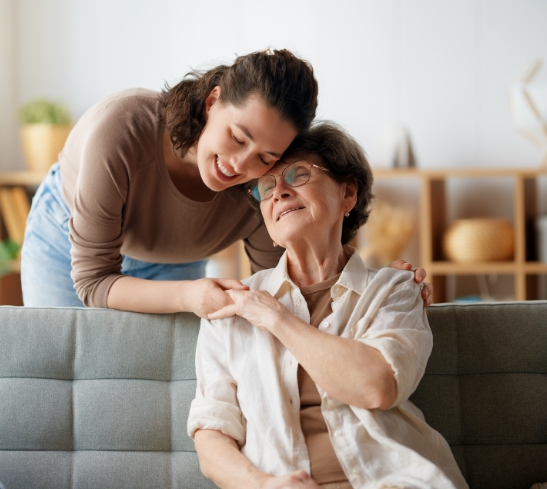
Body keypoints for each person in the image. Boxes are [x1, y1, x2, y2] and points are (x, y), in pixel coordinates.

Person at [21, 49, 431, 316]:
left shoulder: (262, 188)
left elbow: (290, 290)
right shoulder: (122, 130)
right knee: (59, 375)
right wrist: (187, 296)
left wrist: (381, 290)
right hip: (70, 245)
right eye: (237, 137)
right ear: (213, 101)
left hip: (174, 263)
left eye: (266, 157)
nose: (238, 165)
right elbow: (93, 281)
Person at [188, 123, 467, 489]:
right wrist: (263, 485)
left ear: (348, 193)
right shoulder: (232, 305)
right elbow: (211, 435)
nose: (279, 193)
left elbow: (378, 386)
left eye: (297, 174)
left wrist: (276, 318)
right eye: (267, 187)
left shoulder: (395, 290)